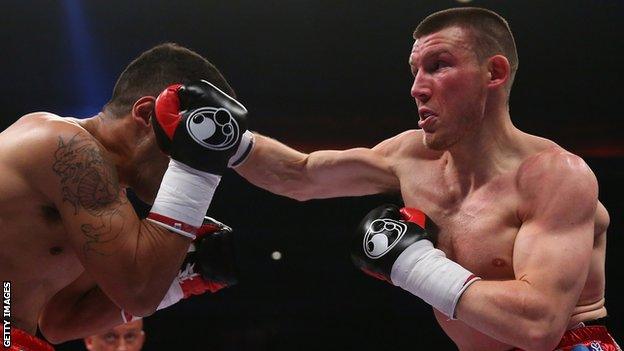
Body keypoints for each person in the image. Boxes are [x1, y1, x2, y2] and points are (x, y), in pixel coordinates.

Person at [234, 7, 616, 351]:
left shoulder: (553, 175)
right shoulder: (410, 156)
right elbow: (299, 175)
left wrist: (413, 264)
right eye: (415, 70)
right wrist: (227, 140)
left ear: (494, 72)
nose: (417, 87)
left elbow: (538, 325)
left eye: (438, 65)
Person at [0, 43, 250, 350]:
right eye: (193, 143)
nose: (182, 165)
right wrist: (196, 172)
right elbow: (140, 293)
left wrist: (181, 279)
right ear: (147, 115)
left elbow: (59, 322)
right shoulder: (64, 146)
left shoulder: (96, 201)